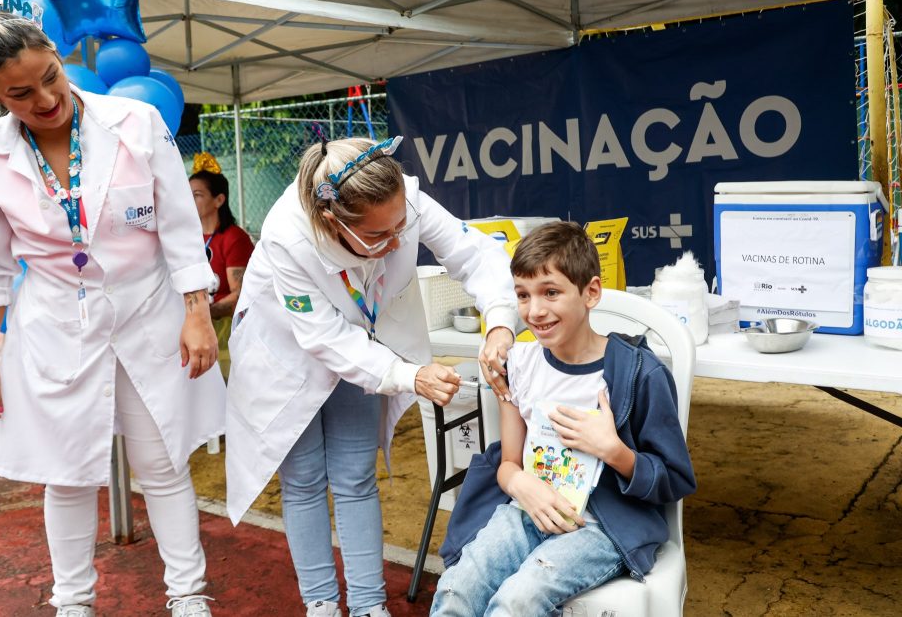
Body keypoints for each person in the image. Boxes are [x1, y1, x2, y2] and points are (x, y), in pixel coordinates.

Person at [0, 7, 222, 617]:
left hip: (148, 317)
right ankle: (73, 602)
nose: (46, 98)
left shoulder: (136, 121)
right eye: (20, 93)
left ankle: (188, 596)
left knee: (161, 463)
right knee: (66, 472)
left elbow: (179, 225)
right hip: (56, 328)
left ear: (57, 57)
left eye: (51, 76)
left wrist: (196, 312)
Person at [224, 135, 519, 617]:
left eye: (402, 225)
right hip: (284, 354)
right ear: (330, 220)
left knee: (356, 473)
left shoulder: (402, 194)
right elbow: (322, 337)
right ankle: (320, 603)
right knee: (303, 478)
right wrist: (409, 375)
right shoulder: (287, 234)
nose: (399, 241)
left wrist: (501, 320)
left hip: (362, 343)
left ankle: (367, 605)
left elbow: (474, 255)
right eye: (381, 236)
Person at [430, 221, 696, 616]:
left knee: (519, 600)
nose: (535, 311)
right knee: (456, 591)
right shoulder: (519, 366)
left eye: (550, 292)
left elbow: (674, 480)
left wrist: (613, 450)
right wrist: (521, 483)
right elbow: (508, 463)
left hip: (600, 526)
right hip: (526, 510)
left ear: (590, 292)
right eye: (523, 295)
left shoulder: (640, 373)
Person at [188, 152, 254, 376]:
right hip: (192, 327)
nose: (189, 200)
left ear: (219, 200)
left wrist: (202, 313)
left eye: (196, 195)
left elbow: (240, 294)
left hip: (226, 332)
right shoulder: (185, 238)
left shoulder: (234, 238)